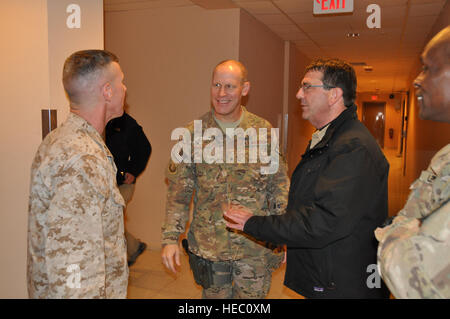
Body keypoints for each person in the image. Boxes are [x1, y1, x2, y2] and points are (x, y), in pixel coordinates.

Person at [225, 58, 390, 299]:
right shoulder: (331, 139)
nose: (298, 94)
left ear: (334, 95)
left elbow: (322, 221)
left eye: (307, 87)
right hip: (328, 274)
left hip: (343, 286)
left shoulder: (353, 148)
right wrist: (291, 243)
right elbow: (309, 204)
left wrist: (253, 223)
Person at [161, 60, 290, 299]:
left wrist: (284, 236)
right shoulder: (192, 134)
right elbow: (179, 193)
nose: (221, 93)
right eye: (216, 85)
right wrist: (170, 238)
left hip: (256, 248)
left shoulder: (263, 132)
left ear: (245, 89)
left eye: (229, 86)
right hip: (211, 249)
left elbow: (279, 188)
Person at [27, 50, 128, 298]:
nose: (125, 88)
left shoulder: (62, 140)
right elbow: (73, 264)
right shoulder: (82, 159)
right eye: (121, 81)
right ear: (107, 91)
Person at [375, 26, 450, 299]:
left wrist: (392, 237)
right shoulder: (445, 156)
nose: (417, 80)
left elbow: (412, 274)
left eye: (429, 68)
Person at [105, 111, 152, 266]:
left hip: (123, 183)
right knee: (108, 220)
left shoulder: (127, 124)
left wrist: (133, 171)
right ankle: (134, 247)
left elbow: (145, 148)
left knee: (111, 217)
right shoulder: (100, 121)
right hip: (104, 182)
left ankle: (128, 251)